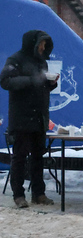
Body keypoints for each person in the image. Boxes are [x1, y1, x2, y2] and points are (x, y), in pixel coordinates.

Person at [0, 30, 59, 208]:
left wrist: (50, 84)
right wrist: (31, 80)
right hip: (21, 117)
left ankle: (38, 193)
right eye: (41, 44)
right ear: (32, 43)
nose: (43, 47)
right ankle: (18, 195)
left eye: (45, 44)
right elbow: (5, 81)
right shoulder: (15, 59)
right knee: (19, 157)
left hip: (39, 117)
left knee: (38, 157)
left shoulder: (42, 62)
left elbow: (40, 86)